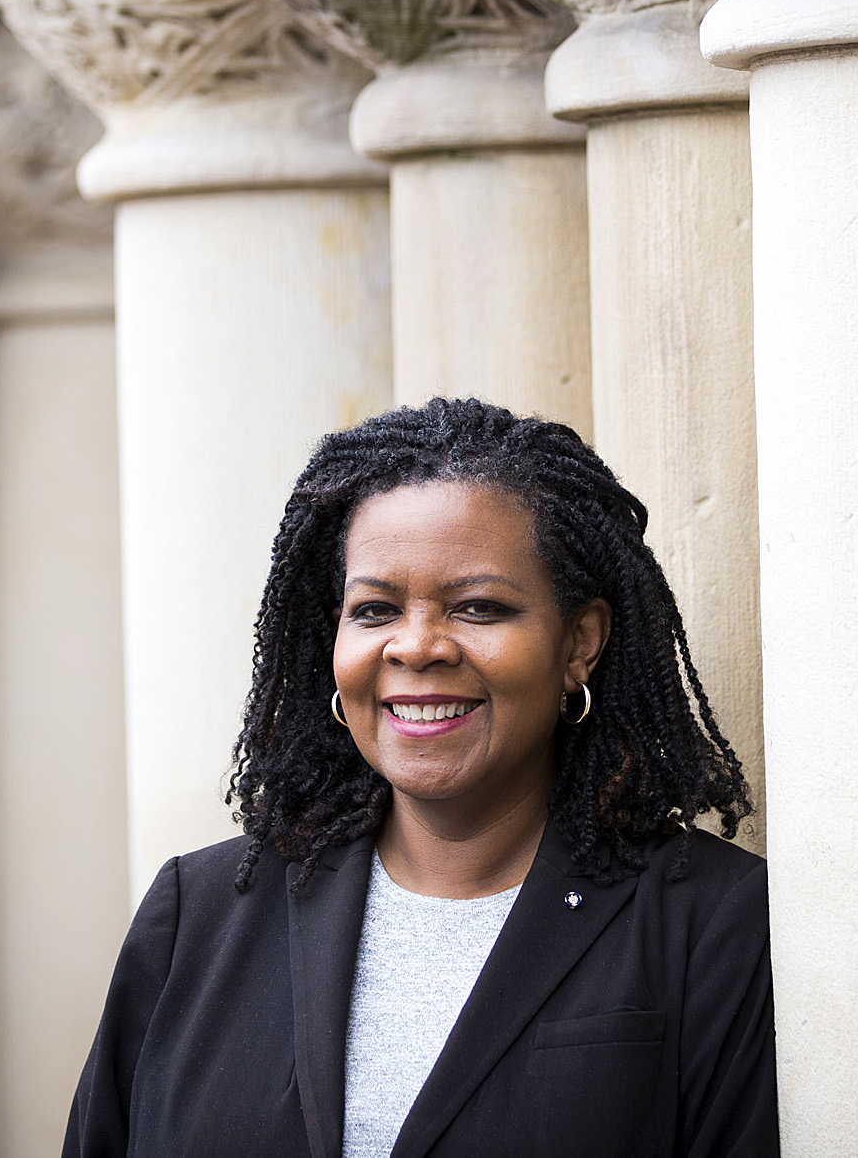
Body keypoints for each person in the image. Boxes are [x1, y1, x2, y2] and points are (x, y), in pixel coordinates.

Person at [64, 398, 777, 1157]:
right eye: (374, 609)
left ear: (579, 643)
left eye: (477, 606)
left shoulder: (711, 923)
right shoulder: (197, 916)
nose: (417, 645)